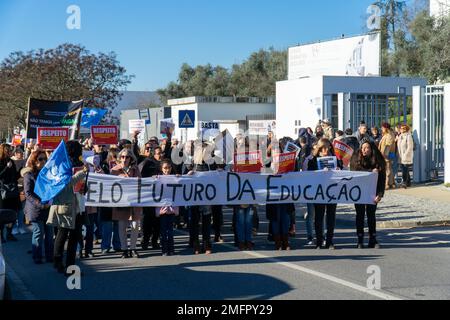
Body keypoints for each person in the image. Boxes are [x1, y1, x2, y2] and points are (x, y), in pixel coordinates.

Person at [47, 141, 88, 274]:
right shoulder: (63, 165)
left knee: (72, 236)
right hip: (66, 203)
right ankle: (59, 262)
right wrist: (82, 173)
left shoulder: (78, 165)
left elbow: (82, 184)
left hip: (77, 204)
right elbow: (68, 183)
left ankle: (67, 265)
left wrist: (84, 187)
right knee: (63, 234)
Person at [307, 138, 343, 250]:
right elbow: (309, 175)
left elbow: (342, 172)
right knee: (319, 216)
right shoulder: (313, 160)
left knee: (331, 216)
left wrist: (338, 169)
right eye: (323, 147)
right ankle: (319, 241)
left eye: (327, 147)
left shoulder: (336, 159)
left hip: (332, 191)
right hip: (319, 192)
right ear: (319, 148)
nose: (325, 150)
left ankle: (330, 241)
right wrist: (320, 172)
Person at [350, 139, 386, 249]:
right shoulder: (356, 157)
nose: (365, 150)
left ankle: (372, 238)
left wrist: (379, 194)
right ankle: (360, 239)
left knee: (371, 215)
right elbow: (355, 173)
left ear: (371, 149)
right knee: (360, 215)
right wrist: (370, 172)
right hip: (359, 191)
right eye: (363, 148)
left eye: (367, 148)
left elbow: (382, 179)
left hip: (372, 191)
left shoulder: (378, 159)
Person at [22, 151, 54, 264]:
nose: (43, 161)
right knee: (38, 232)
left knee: (50, 234)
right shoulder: (28, 174)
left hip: (48, 207)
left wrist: (50, 201)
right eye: (40, 159)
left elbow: (52, 189)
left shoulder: (47, 173)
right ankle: (37, 256)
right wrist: (41, 204)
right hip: (35, 209)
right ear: (34, 161)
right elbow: (28, 193)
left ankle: (50, 256)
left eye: (45, 159)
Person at [111, 148, 142, 259]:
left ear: (131, 158)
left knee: (135, 226)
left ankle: (133, 248)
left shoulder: (135, 169)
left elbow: (140, 182)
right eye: (123, 156)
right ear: (120, 158)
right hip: (121, 202)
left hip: (134, 201)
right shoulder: (114, 170)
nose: (125, 159)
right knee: (122, 226)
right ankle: (124, 249)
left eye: (127, 157)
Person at [155, 159, 179, 256]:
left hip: (172, 209)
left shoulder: (175, 178)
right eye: (165, 168)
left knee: (171, 231)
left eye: (169, 168)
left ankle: (171, 248)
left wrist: (179, 178)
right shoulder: (158, 179)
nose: (167, 170)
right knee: (163, 231)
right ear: (161, 169)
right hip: (163, 210)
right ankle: (164, 249)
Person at [0, 143, 21, 243]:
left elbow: (14, 177)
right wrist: (6, 168)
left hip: (13, 191)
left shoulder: (11, 161)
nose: (9, 151)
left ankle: (9, 233)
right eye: (7, 150)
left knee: (13, 213)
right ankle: (1, 236)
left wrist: (20, 171)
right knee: (3, 214)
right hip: (3, 192)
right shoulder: (1, 162)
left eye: (10, 150)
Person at [11, 147, 27, 235]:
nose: (21, 154)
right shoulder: (11, 162)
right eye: (20, 152)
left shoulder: (24, 161)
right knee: (14, 209)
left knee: (21, 209)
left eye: (22, 152)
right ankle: (14, 227)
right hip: (14, 188)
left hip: (23, 188)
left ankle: (20, 226)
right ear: (16, 153)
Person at [379, 123, 397, 189]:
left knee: (387, 169)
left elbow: (388, 146)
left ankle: (387, 184)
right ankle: (391, 183)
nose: (381, 129)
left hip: (387, 154)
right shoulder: (387, 135)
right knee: (389, 169)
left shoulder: (389, 135)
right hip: (387, 154)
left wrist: (384, 155)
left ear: (386, 128)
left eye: (382, 128)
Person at [397, 124, 414, 188]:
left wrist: (405, 155)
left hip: (406, 156)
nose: (401, 129)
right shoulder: (400, 136)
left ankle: (404, 182)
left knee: (404, 169)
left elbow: (410, 147)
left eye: (402, 128)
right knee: (405, 169)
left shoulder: (408, 136)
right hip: (400, 155)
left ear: (405, 129)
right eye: (400, 128)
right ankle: (408, 182)